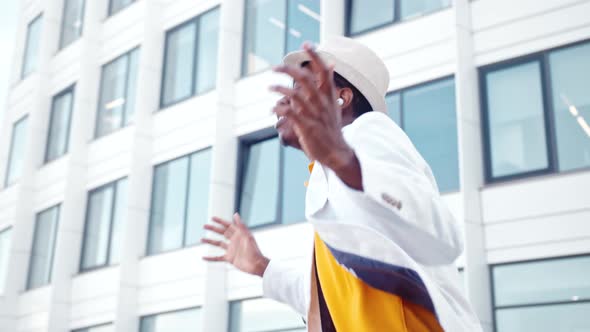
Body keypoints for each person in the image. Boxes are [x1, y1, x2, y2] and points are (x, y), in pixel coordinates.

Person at [201, 36, 482, 331]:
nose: (285, 100)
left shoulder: (369, 132)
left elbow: (442, 235)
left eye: (304, 88)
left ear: (342, 98)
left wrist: (343, 161)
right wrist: (260, 265)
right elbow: (332, 296)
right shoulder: (330, 181)